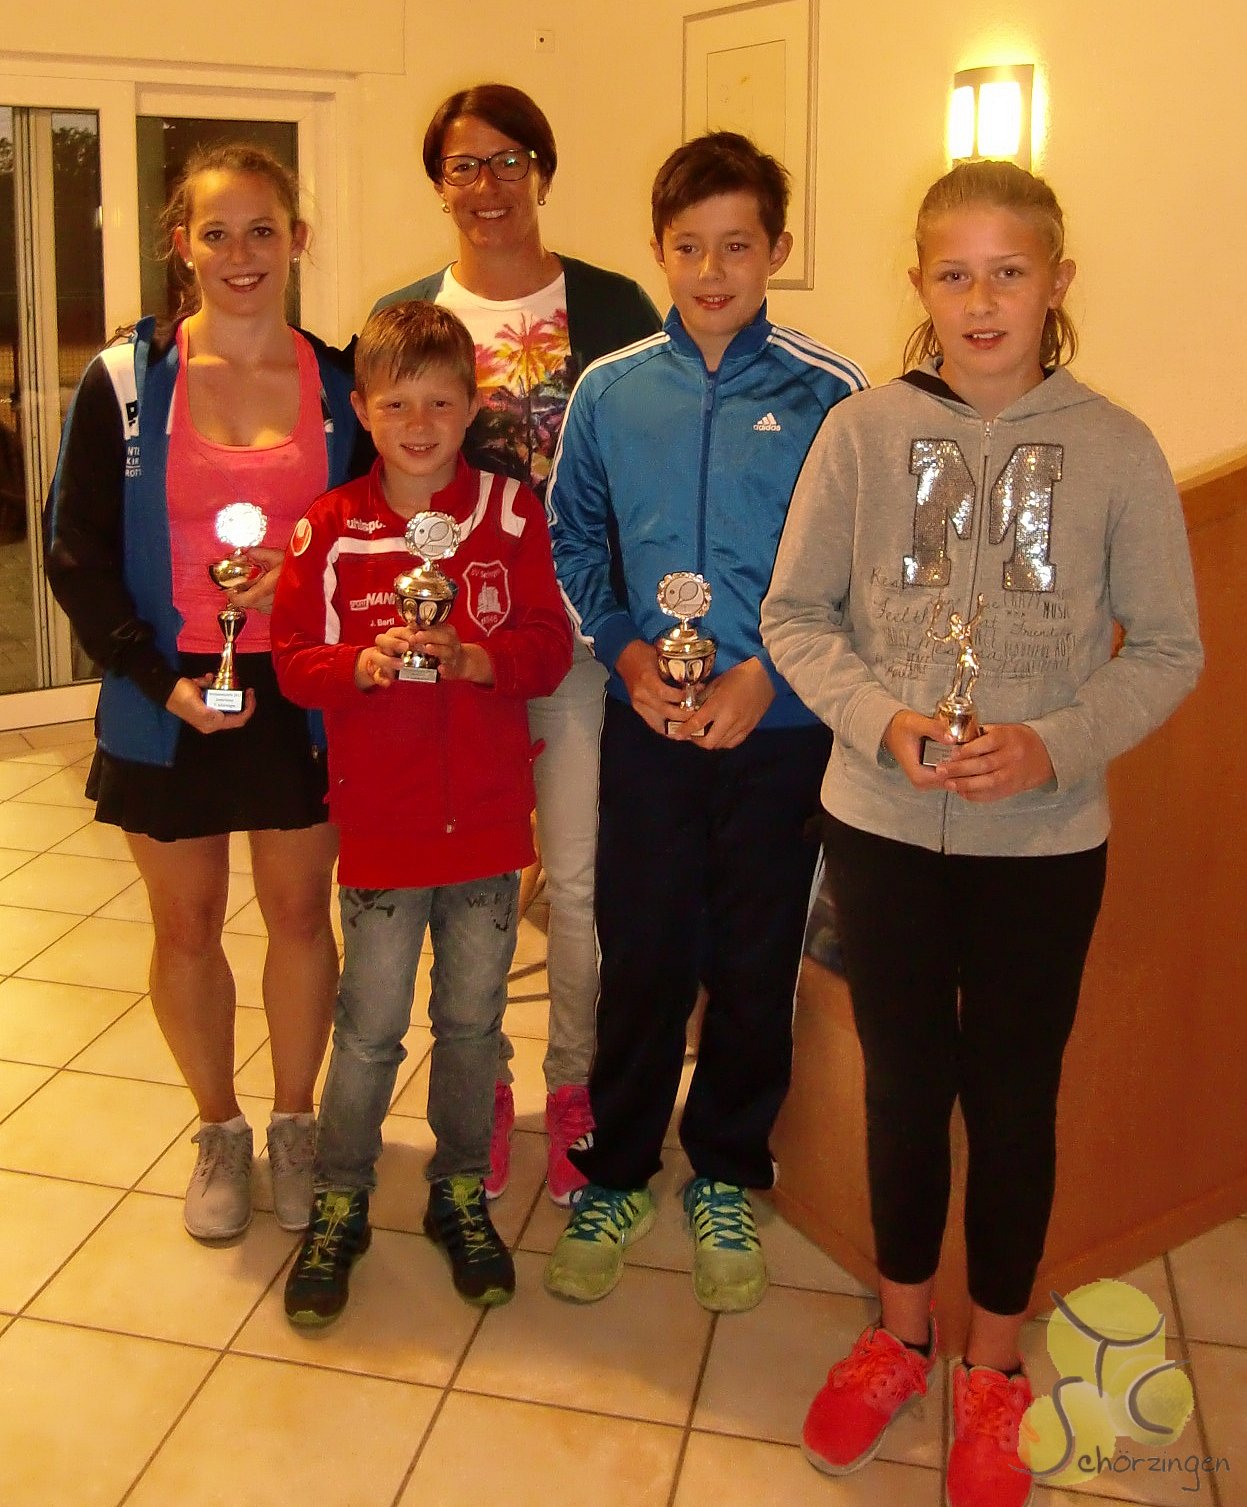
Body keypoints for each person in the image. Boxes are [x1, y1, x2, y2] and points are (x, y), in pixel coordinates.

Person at [759, 160, 1202, 1507]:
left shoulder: (1116, 447)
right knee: (899, 1088)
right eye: (952, 274)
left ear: (1055, 282)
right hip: (880, 826)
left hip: (1043, 845)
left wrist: (1051, 742)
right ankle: (899, 1333)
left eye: (1007, 272)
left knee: (1010, 1099)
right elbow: (793, 617)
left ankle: (995, 1360)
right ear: (919, 286)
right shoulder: (861, 433)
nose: (980, 298)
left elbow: (1167, 648)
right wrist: (879, 720)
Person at [543, 132, 866, 1314]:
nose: (712, 270)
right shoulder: (611, 388)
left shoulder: (831, 395)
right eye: (689, 247)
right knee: (640, 948)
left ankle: (726, 1167)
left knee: (751, 956)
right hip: (647, 720)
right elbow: (572, 538)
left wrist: (765, 680)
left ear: (777, 248)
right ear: (658, 251)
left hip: (779, 734)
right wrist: (628, 654)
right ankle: (618, 1167)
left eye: (737, 246)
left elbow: (859, 568)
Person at [45, 143, 359, 1242]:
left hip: (301, 691)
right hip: (166, 686)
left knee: (298, 915)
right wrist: (153, 677)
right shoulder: (125, 380)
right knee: (184, 923)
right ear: (182, 247)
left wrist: (305, 576)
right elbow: (74, 549)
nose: (241, 254)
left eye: (262, 230)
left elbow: (372, 533)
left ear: (296, 241)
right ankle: (219, 1128)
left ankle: (294, 1122)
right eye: (216, 233)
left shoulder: (342, 384)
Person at [374, 83, 662, 1206]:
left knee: (578, 884)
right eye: (463, 165)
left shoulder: (612, 304)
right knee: (474, 885)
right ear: (437, 184)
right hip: (452, 655)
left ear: (541, 169)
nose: (486, 185)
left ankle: (573, 1081)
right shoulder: (407, 312)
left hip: (579, 641)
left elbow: (642, 466)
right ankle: (480, 1086)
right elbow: (374, 485)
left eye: (507, 161)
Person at [272, 301, 572, 1324]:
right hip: (383, 830)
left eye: (439, 403)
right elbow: (292, 660)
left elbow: (547, 644)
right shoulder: (328, 526)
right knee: (367, 1030)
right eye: (395, 404)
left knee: (473, 1024)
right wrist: (359, 665)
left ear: (472, 406)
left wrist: (478, 658)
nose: (418, 424)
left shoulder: (509, 514)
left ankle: (457, 1188)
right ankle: (341, 1195)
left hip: (485, 824)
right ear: (361, 408)